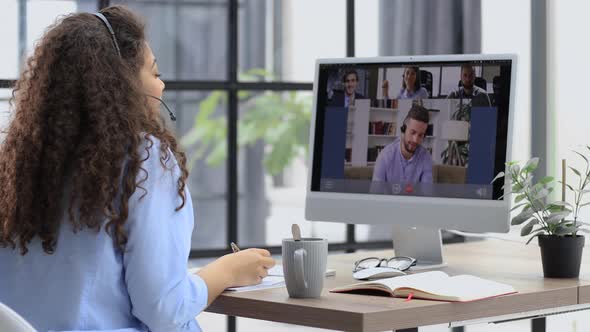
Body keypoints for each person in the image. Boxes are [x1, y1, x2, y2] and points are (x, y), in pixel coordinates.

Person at [0, 6, 274, 332]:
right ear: (123, 83)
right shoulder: (143, 159)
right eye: (155, 74)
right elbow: (163, 310)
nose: (161, 87)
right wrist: (228, 271)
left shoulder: (19, 164)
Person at [372, 105, 433, 184]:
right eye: (412, 132)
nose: (415, 140)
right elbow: (376, 194)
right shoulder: (384, 157)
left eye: (420, 135)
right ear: (403, 129)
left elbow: (427, 193)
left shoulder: (426, 158)